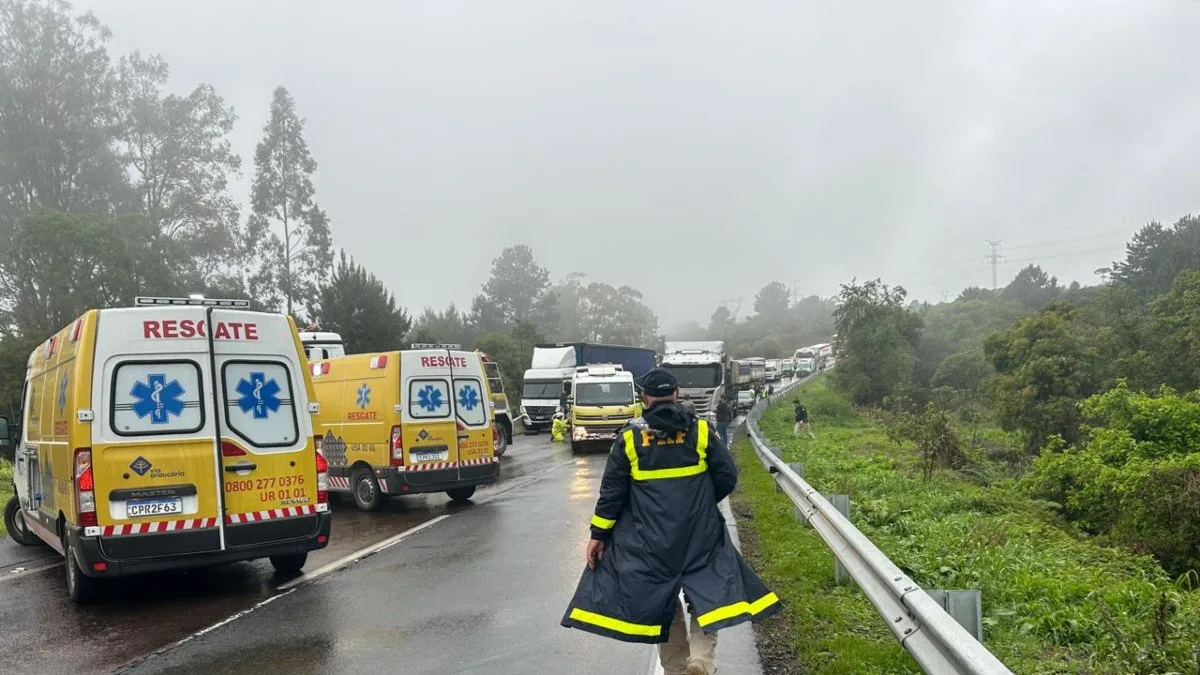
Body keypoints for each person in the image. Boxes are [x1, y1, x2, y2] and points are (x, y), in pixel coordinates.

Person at [562, 369, 780, 675]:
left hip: (650, 541)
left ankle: (677, 668)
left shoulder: (629, 438)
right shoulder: (701, 431)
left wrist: (599, 535)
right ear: (676, 394)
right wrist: (702, 503)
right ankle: (701, 662)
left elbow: (611, 495)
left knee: (663, 599)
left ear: (645, 398)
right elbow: (727, 477)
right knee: (706, 592)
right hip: (699, 535)